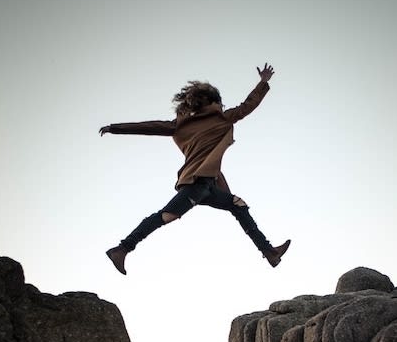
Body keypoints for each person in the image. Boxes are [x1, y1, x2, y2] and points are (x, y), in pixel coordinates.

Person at [99, 63, 290, 275]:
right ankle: (122, 249)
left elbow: (149, 126)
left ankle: (269, 252)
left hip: (208, 185)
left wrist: (115, 128)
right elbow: (248, 106)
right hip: (195, 184)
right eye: (219, 102)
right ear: (212, 102)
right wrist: (263, 82)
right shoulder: (221, 118)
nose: (222, 105)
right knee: (167, 215)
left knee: (238, 205)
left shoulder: (180, 125)